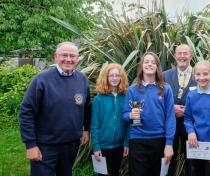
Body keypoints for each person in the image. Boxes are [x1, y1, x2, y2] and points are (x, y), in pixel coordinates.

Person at [19, 42, 91, 176]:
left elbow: (87, 106)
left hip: (71, 144)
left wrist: (86, 128)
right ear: (56, 57)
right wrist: (30, 145)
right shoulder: (41, 80)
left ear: (78, 58)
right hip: (45, 145)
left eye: (72, 56)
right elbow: (26, 112)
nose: (68, 59)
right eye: (64, 55)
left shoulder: (82, 79)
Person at [122, 52, 176, 176]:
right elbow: (124, 115)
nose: (150, 64)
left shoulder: (165, 89)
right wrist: (131, 115)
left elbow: (170, 118)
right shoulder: (132, 90)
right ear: (141, 66)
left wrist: (169, 144)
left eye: (153, 62)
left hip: (159, 140)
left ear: (157, 66)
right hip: (137, 140)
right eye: (146, 62)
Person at [163, 44, 197, 176]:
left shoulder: (199, 74)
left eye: (185, 53)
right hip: (169, 124)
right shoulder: (165, 75)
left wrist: (187, 110)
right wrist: (171, 108)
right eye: (179, 53)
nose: (182, 56)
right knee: (168, 158)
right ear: (175, 56)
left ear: (190, 56)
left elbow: (204, 98)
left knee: (192, 160)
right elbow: (158, 98)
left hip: (192, 126)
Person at [90, 63, 129, 176]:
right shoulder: (99, 99)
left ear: (121, 77)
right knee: (102, 174)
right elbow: (94, 125)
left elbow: (128, 123)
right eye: (111, 75)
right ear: (105, 78)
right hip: (102, 146)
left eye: (117, 75)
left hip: (119, 146)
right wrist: (96, 147)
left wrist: (126, 143)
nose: (114, 78)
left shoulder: (125, 97)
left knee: (115, 172)